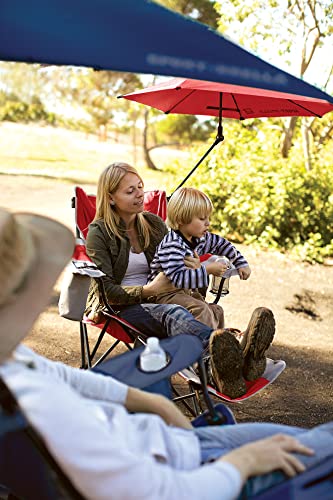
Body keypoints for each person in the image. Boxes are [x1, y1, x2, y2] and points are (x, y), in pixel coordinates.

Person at [1, 206, 333, 500]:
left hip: (173, 445)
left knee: (188, 313)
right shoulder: (32, 403)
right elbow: (164, 493)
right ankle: (224, 363)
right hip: (200, 476)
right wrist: (245, 462)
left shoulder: (13, 364)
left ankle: (234, 360)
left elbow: (66, 376)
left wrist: (155, 403)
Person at [85, 162, 274, 397]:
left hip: (164, 294)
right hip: (123, 306)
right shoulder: (99, 233)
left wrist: (195, 263)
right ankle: (229, 356)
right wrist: (148, 290)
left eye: (140, 187)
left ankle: (230, 366)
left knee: (211, 309)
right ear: (111, 198)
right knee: (173, 313)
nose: (139, 194)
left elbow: (178, 256)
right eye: (129, 191)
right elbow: (108, 292)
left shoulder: (152, 224)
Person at [148, 186, 251, 330]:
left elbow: (223, 244)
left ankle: (223, 345)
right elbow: (178, 278)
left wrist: (241, 263)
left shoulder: (199, 238)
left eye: (208, 217)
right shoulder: (172, 245)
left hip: (183, 293)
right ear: (181, 220)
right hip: (162, 296)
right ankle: (207, 347)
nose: (208, 223)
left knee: (216, 310)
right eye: (202, 219)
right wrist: (207, 269)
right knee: (200, 309)